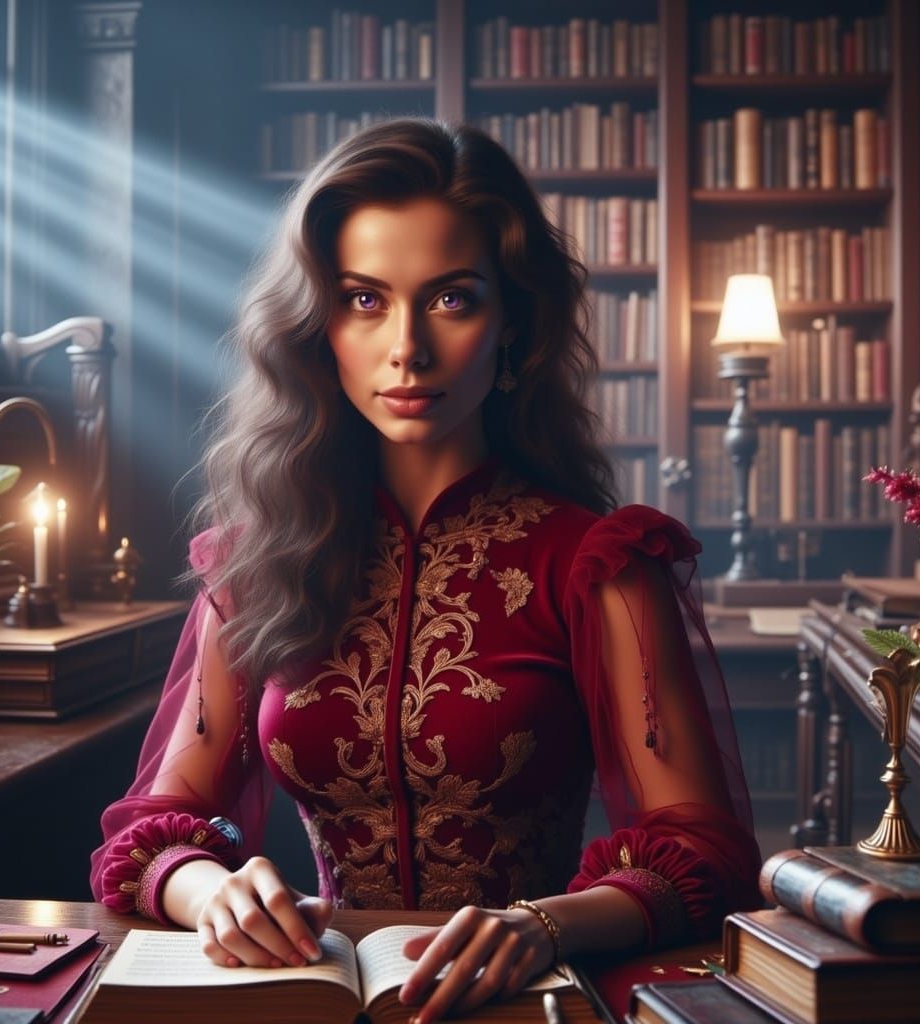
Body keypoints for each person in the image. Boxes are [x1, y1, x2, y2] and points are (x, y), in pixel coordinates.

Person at [91, 118, 761, 1024]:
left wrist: (545, 926)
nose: (407, 347)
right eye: (365, 300)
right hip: (312, 996)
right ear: (317, 327)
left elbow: (703, 853)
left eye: (451, 299)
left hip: (523, 1001)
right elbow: (146, 833)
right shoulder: (256, 565)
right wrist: (207, 890)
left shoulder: (597, 563)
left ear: (513, 324)